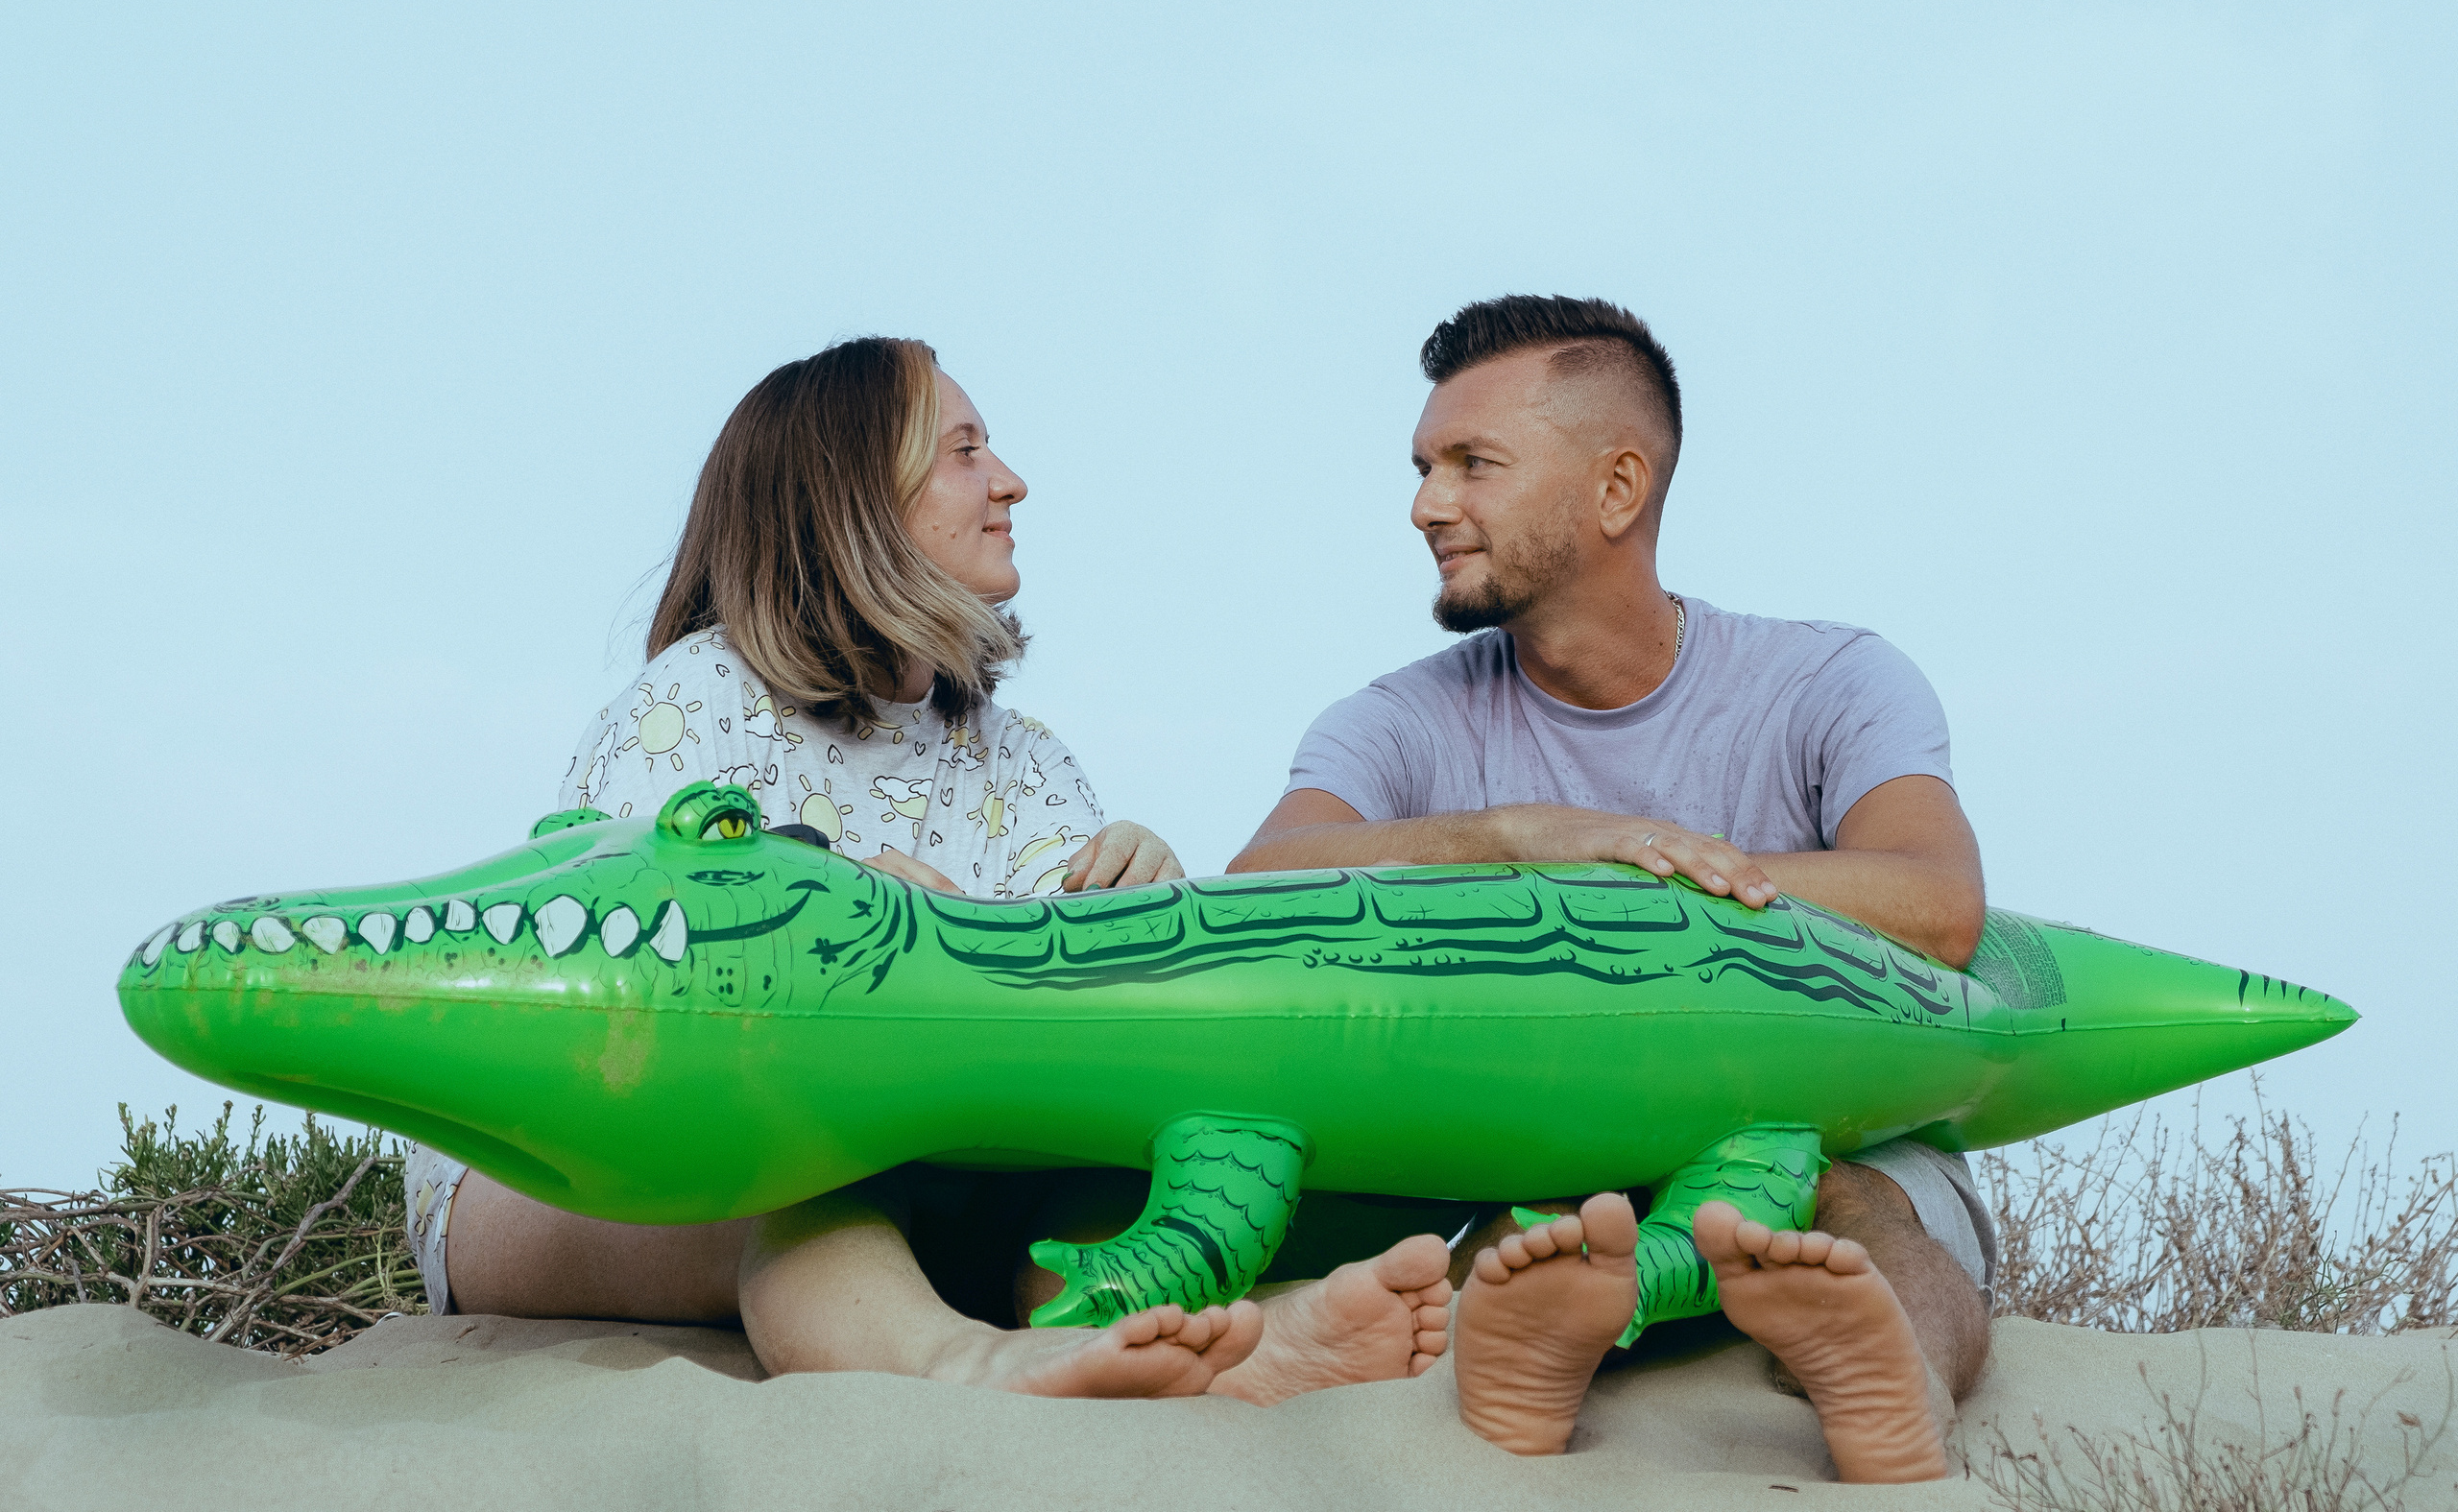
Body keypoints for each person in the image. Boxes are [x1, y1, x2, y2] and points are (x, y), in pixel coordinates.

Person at [405, 337, 1451, 1402]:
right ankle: (977, 1367)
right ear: (851, 499)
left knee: (1094, 1183)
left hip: (915, 1176)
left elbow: (1079, 1043)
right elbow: (615, 973)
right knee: (803, 1177)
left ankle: (1219, 1344)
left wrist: (1143, 910)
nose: (1010, 481)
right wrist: (830, 914)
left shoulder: (1021, 758)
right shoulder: (697, 700)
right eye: (964, 451)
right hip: (568, 1168)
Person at [1228, 296, 1991, 1480]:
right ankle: (1518, 1402)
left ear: (1617, 490)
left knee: (1850, 1204)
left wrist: (1650, 877)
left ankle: (1903, 1404)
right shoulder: (1397, 721)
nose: (1427, 504)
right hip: (1541, 1155)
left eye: (1473, 464)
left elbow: (1936, 904)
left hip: (1831, 1137)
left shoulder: (1829, 679)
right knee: (1520, 1228)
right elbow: (1258, 880)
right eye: (1425, 466)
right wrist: (1515, 838)